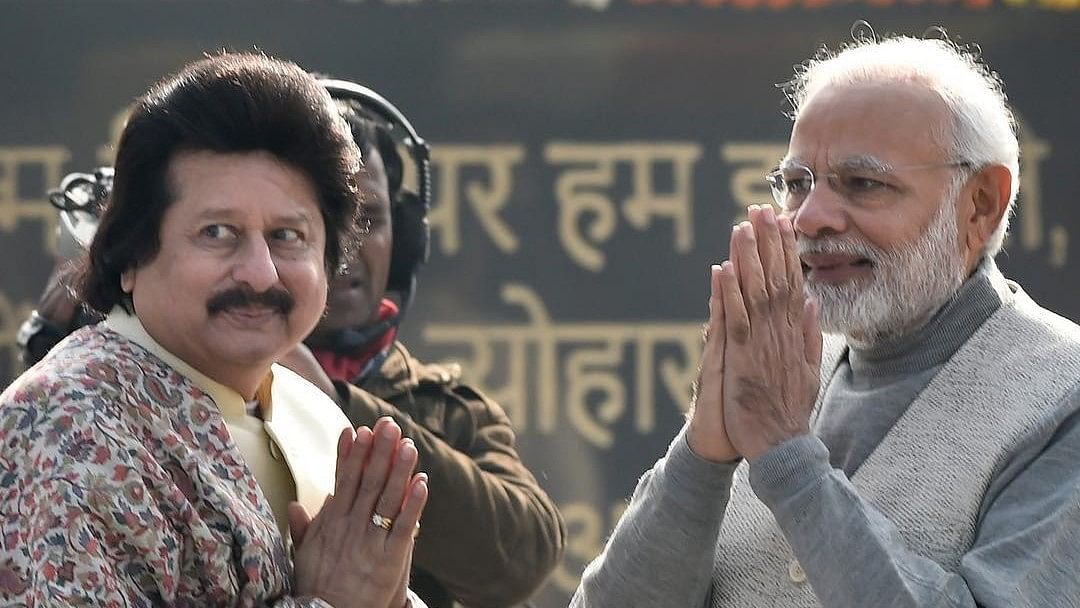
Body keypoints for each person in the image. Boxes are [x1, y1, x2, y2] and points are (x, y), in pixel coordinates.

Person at [572, 30, 1080, 607]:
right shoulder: (779, 367)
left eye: (863, 184)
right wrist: (702, 454)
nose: (811, 219)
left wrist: (790, 457)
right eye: (796, 185)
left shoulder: (1061, 396)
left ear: (980, 203)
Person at [0, 53, 430, 607]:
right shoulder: (61, 427)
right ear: (129, 254)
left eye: (288, 236)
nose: (259, 272)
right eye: (218, 232)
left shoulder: (314, 416)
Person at [279, 80, 566, 608]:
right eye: (317, 220)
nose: (347, 244)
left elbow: (523, 555)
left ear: (405, 239)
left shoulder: (452, 413)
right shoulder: (199, 383)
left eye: (369, 218)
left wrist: (334, 406)